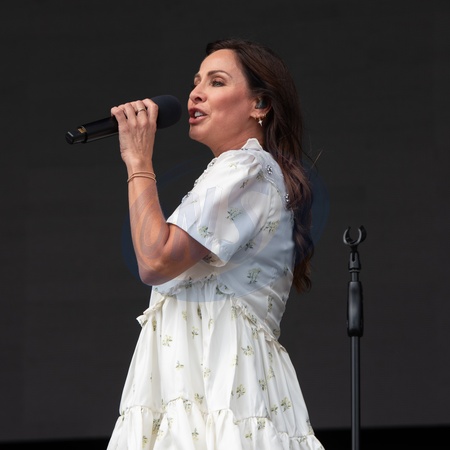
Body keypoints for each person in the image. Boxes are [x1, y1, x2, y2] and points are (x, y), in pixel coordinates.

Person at [107, 38, 324, 450]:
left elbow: (155, 259)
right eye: (196, 82)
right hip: (200, 384)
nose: (196, 93)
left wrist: (138, 162)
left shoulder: (246, 166)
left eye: (217, 82)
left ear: (260, 104)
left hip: (219, 383)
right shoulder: (238, 171)